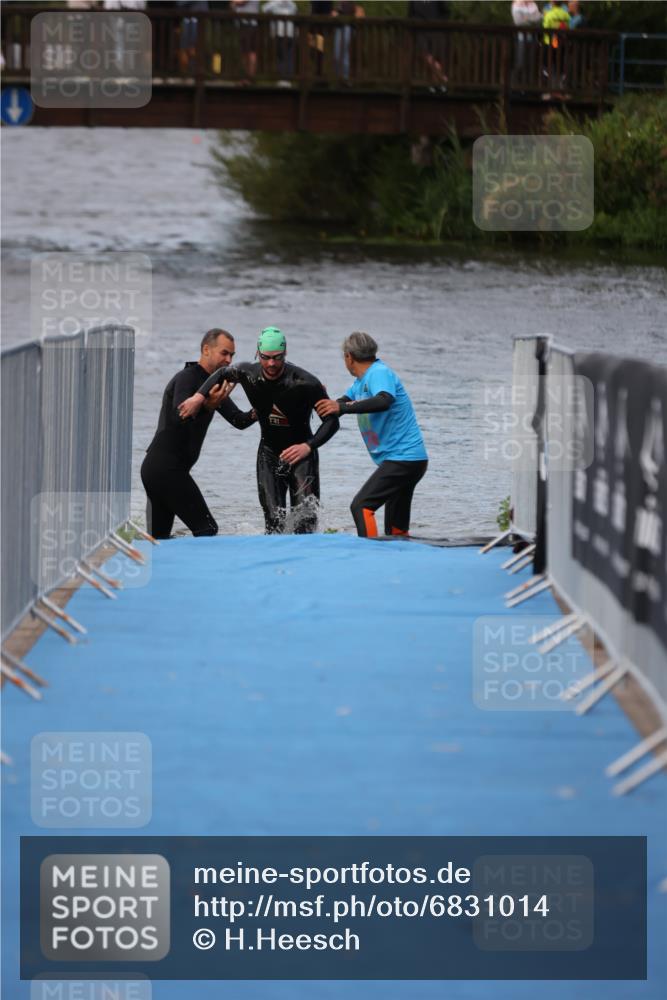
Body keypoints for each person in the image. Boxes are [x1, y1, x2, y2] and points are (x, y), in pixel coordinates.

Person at [178, 327, 339, 534]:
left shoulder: (305, 382)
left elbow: (332, 422)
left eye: (277, 357)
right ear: (258, 353)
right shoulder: (247, 373)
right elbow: (220, 373)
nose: (271, 363)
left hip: (301, 457)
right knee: (273, 522)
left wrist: (308, 446)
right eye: (265, 357)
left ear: (285, 353)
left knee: (305, 524)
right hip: (269, 454)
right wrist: (198, 397)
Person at [141, 329, 256, 539]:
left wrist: (263, 408)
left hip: (161, 471)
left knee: (159, 540)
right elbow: (179, 415)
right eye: (224, 353)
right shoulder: (187, 377)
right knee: (207, 529)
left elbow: (239, 421)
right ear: (206, 350)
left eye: (232, 355)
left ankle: (165, 571)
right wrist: (207, 405)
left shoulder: (213, 384)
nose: (229, 360)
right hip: (165, 469)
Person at [315, 332, 428, 539]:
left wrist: (341, 407)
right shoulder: (360, 382)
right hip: (406, 460)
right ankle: (401, 557)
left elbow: (384, 400)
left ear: (348, 357)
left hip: (403, 459)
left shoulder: (379, 372)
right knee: (395, 529)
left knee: (361, 506)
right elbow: (338, 404)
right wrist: (317, 396)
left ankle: (369, 554)